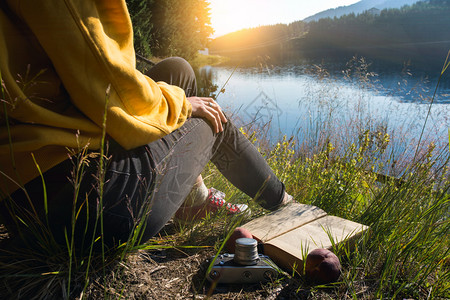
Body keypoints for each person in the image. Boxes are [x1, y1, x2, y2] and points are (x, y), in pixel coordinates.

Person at [0, 0, 291, 247]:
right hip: (84, 206)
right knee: (209, 117)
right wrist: (182, 105)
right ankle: (285, 205)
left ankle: (191, 202)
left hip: (15, 196)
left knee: (177, 70)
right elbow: (110, 92)